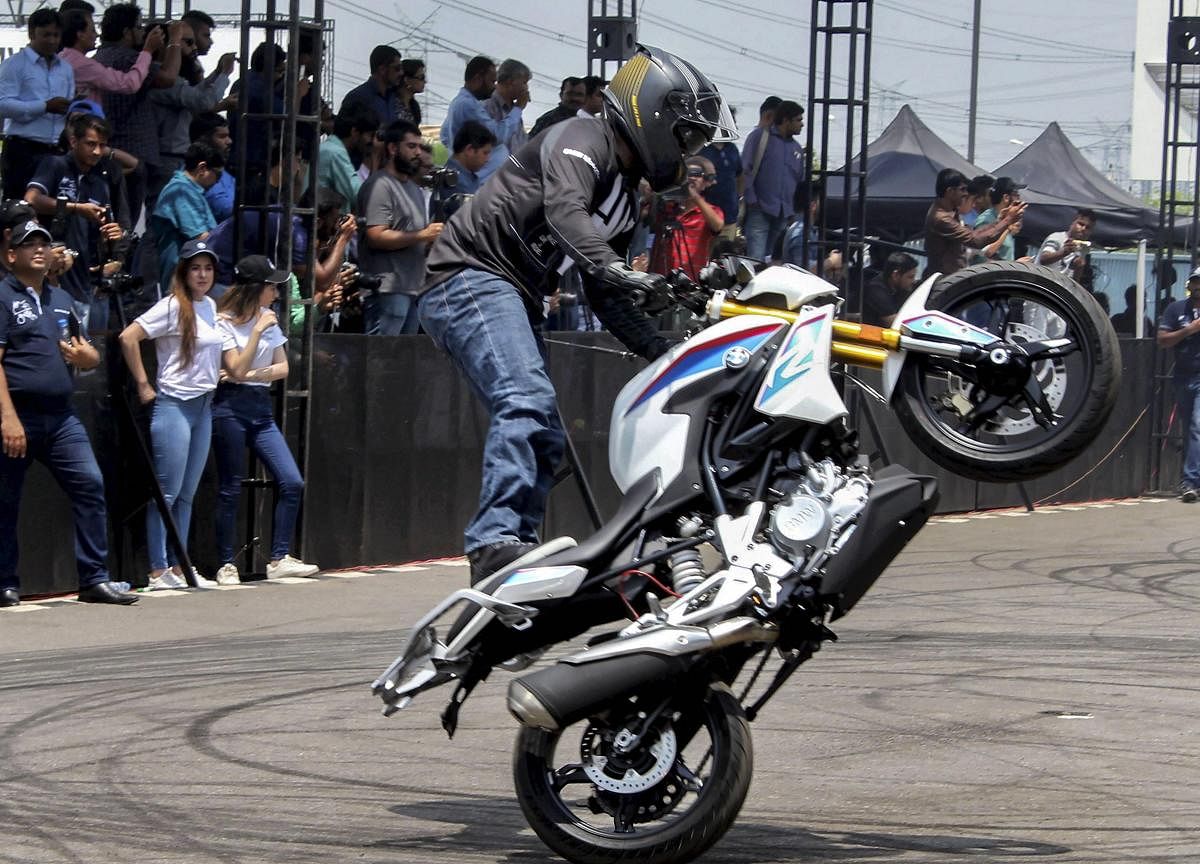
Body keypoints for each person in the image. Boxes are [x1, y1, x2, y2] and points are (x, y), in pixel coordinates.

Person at [419, 44, 736, 582]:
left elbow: (604, 293)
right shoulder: (582, 136)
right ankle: (495, 544)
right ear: (652, 114)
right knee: (525, 399)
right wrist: (623, 269)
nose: (687, 155)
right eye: (685, 137)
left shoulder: (621, 199)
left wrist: (667, 353)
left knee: (545, 431)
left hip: (511, 291)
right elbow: (565, 212)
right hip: (469, 275)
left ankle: (520, 560)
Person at [0, 217, 139, 606]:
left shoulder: (61, 300)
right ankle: (4, 582)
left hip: (61, 417)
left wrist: (87, 356)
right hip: (18, 415)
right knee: (6, 499)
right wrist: (7, 417)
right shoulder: (2, 297)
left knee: (90, 485)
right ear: (12, 255)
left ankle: (93, 578)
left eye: (44, 243)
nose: (41, 250)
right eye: (30, 244)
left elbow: (89, 352)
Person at [119, 238, 222, 589]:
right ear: (183, 271)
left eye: (208, 268)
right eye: (196, 267)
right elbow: (128, 336)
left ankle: (181, 568)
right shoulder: (170, 306)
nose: (203, 274)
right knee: (167, 491)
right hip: (174, 404)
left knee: (188, 493)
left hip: (204, 406)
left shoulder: (210, 306)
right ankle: (157, 568)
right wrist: (143, 385)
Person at [211, 255, 319, 583]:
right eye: (271, 286)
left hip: (258, 408)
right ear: (255, 288)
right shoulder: (224, 321)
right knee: (230, 486)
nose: (275, 292)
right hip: (228, 408)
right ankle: (225, 562)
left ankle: (279, 556)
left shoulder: (268, 318)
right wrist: (256, 334)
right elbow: (236, 367)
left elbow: (281, 369)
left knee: (292, 480)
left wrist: (249, 374)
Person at [25, 112, 126, 326]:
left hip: (86, 282)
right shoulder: (55, 165)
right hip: (50, 274)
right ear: (73, 141)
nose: (97, 151)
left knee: (85, 351)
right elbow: (32, 199)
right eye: (91, 144)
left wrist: (114, 236)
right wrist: (76, 208)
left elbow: (104, 233)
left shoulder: (100, 183)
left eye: (102, 145)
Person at [357, 119, 441, 335]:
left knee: (401, 364)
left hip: (413, 288)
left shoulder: (413, 188)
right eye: (411, 146)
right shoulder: (380, 185)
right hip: (387, 289)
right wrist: (423, 234)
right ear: (393, 148)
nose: (418, 154)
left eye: (419, 147)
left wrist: (431, 241)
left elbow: (417, 238)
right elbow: (376, 235)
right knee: (381, 362)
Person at [0, 8, 75, 200]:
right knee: (17, 210)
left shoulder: (65, 68)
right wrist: (45, 106)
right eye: (46, 35)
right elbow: (3, 105)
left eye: (56, 35)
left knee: (52, 210)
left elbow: (67, 105)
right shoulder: (14, 64)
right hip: (22, 150)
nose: (52, 40)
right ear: (32, 33)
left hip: (55, 151)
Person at [439, 55, 527, 184]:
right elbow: (496, 136)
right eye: (492, 82)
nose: (494, 87)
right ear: (477, 79)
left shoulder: (462, 102)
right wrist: (519, 108)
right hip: (479, 180)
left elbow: (445, 136)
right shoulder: (470, 105)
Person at [151, 140, 223, 293]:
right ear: (202, 168)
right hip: (181, 279)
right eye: (218, 174)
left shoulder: (192, 190)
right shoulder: (180, 191)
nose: (218, 181)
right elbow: (201, 237)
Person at [924, 168, 1024, 279]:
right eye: (962, 189)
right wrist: (1007, 221)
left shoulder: (950, 211)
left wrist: (1000, 221)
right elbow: (975, 240)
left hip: (953, 279)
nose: (965, 193)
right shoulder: (941, 218)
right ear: (950, 192)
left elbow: (973, 234)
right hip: (944, 282)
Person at [741, 99, 805, 261]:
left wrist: (793, 212)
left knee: (774, 262)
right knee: (755, 260)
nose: (802, 124)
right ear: (785, 120)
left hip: (783, 214)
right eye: (798, 120)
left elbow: (798, 180)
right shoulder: (760, 137)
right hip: (759, 210)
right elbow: (745, 169)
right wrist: (752, 200)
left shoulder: (796, 149)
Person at [58, 6, 161, 103]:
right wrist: (148, 51)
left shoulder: (63, 57)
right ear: (80, 35)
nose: (97, 34)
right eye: (92, 30)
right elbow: (129, 84)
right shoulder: (84, 65)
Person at [1158, 267, 1200, 501]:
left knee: (1197, 426)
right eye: (1194, 282)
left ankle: (1189, 481)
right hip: (1183, 376)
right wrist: (1189, 330)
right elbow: (1162, 340)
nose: (1197, 287)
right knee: (1189, 430)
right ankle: (1193, 479)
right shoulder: (1176, 309)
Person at [654, 155, 724, 280]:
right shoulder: (666, 207)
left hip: (690, 280)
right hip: (660, 276)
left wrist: (695, 196)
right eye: (688, 174)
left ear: (706, 182)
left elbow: (717, 225)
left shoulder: (711, 211)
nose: (691, 178)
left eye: (697, 175)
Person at [317, 104, 379, 215]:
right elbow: (362, 197)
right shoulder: (335, 153)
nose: (372, 141)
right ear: (354, 132)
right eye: (371, 135)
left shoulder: (330, 148)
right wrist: (375, 157)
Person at [338, 45, 403, 126]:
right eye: (397, 68)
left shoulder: (394, 97)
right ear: (382, 69)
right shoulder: (358, 97)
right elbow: (342, 133)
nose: (401, 73)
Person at [972, 177, 1026, 263]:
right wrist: (1007, 228)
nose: (1019, 199)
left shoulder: (1004, 220)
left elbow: (1001, 256)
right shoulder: (986, 219)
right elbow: (987, 251)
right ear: (1006, 198)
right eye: (1016, 194)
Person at [1037, 208, 1096, 282]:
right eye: (1081, 224)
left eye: (1088, 227)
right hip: (1042, 284)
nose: (1083, 229)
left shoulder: (1083, 248)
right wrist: (1063, 252)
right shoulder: (1057, 237)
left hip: (1060, 288)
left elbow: (1075, 281)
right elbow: (1043, 259)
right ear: (1073, 223)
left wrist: (1079, 268)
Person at [862, 251, 919, 327]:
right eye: (910, 277)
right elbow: (895, 324)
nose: (913, 281)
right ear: (895, 275)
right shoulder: (876, 291)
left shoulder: (899, 288)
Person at [445, 120, 497, 196]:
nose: (487, 159)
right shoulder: (455, 181)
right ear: (469, 150)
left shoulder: (462, 176)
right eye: (485, 153)